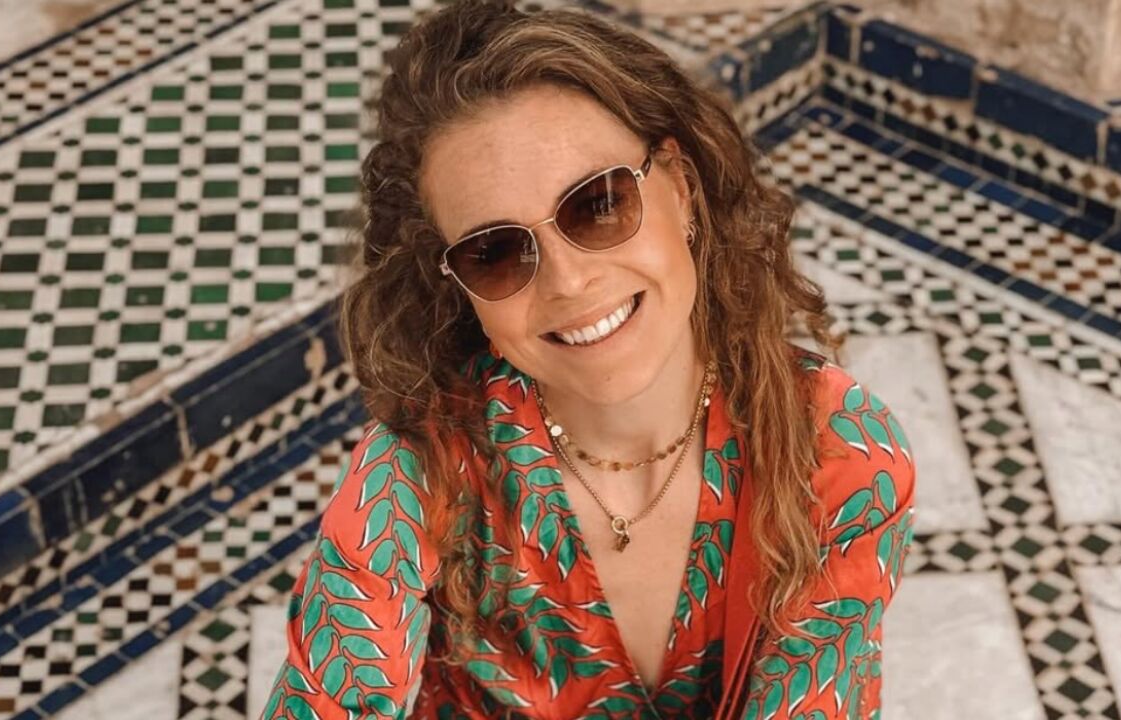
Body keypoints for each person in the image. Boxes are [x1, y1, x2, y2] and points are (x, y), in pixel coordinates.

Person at [261, 0, 917, 717]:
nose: (568, 281)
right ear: (458, 288)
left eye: (599, 205)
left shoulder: (839, 452)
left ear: (681, 186)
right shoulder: (419, 473)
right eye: (495, 252)